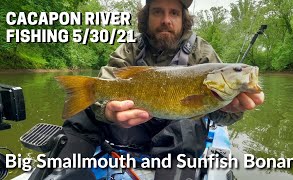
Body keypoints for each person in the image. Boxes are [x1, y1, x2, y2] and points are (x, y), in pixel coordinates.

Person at [59, 0, 264, 179]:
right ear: (146, 17)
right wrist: (108, 112)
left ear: (184, 19)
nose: (166, 20)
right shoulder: (130, 48)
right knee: (82, 113)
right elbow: (107, 79)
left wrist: (231, 109)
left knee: (187, 124)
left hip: (176, 138)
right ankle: (62, 173)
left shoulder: (203, 52)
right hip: (131, 125)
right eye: (158, 11)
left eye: (174, 12)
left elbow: (220, 117)